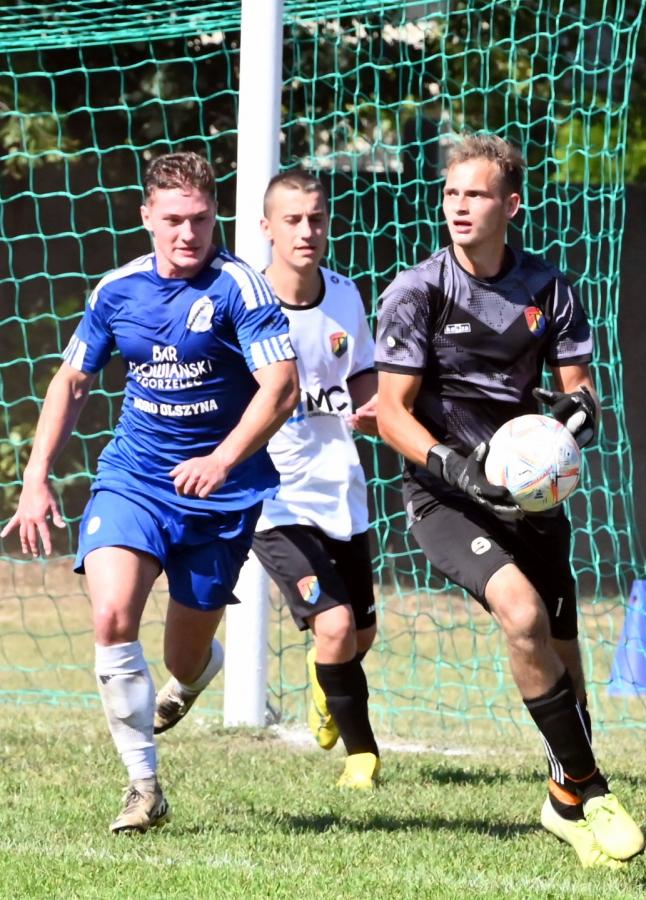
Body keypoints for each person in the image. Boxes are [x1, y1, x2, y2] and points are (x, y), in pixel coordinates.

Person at [1, 152, 299, 833]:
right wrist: (36, 476)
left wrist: (222, 460)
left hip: (221, 495)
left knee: (180, 657)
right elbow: (72, 381)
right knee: (111, 619)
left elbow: (282, 388)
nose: (187, 234)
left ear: (215, 216)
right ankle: (143, 786)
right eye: (172, 220)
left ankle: (195, 673)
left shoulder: (240, 289)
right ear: (146, 217)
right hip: (133, 479)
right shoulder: (117, 291)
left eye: (200, 219)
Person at [374, 133, 645, 866]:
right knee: (520, 615)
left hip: (533, 499)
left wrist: (572, 421)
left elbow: (580, 393)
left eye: (477, 194)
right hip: (445, 496)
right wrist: (457, 469)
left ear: (511, 205)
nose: (459, 206)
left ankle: (562, 803)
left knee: (565, 662)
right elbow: (391, 412)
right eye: (451, 193)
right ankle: (593, 790)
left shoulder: (549, 289)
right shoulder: (417, 291)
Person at [255, 170, 380, 789]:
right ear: (267, 228)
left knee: (360, 633)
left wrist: (375, 404)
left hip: (340, 485)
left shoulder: (346, 295)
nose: (307, 231)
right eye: (293, 220)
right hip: (274, 497)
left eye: (316, 219)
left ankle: (322, 673)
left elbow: (361, 372)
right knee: (335, 626)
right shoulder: (245, 303)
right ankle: (363, 757)